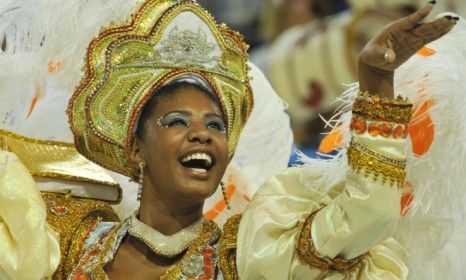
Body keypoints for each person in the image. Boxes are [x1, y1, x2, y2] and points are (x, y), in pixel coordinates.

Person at [0, 0, 464, 279]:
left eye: (216, 125)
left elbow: (365, 215)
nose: (202, 133)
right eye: (177, 121)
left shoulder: (250, 256)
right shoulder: (71, 243)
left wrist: (376, 80)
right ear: (135, 146)